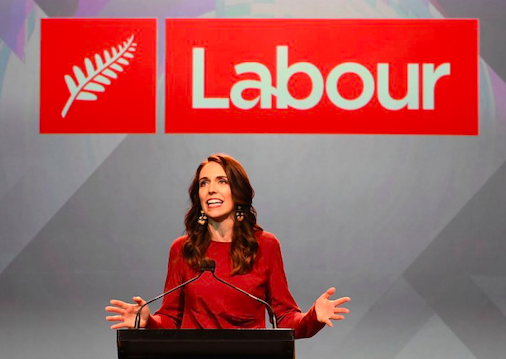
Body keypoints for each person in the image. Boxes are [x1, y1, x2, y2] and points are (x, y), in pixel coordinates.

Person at [106, 154, 350, 339]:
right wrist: (147, 321)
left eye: (221, 181)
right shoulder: (183, 249)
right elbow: (170, 320)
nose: (211, 188)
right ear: (198, 197)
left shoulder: (265, 245)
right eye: (204, 183)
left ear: (238, 191)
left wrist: (313, 317)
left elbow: (284, 318)